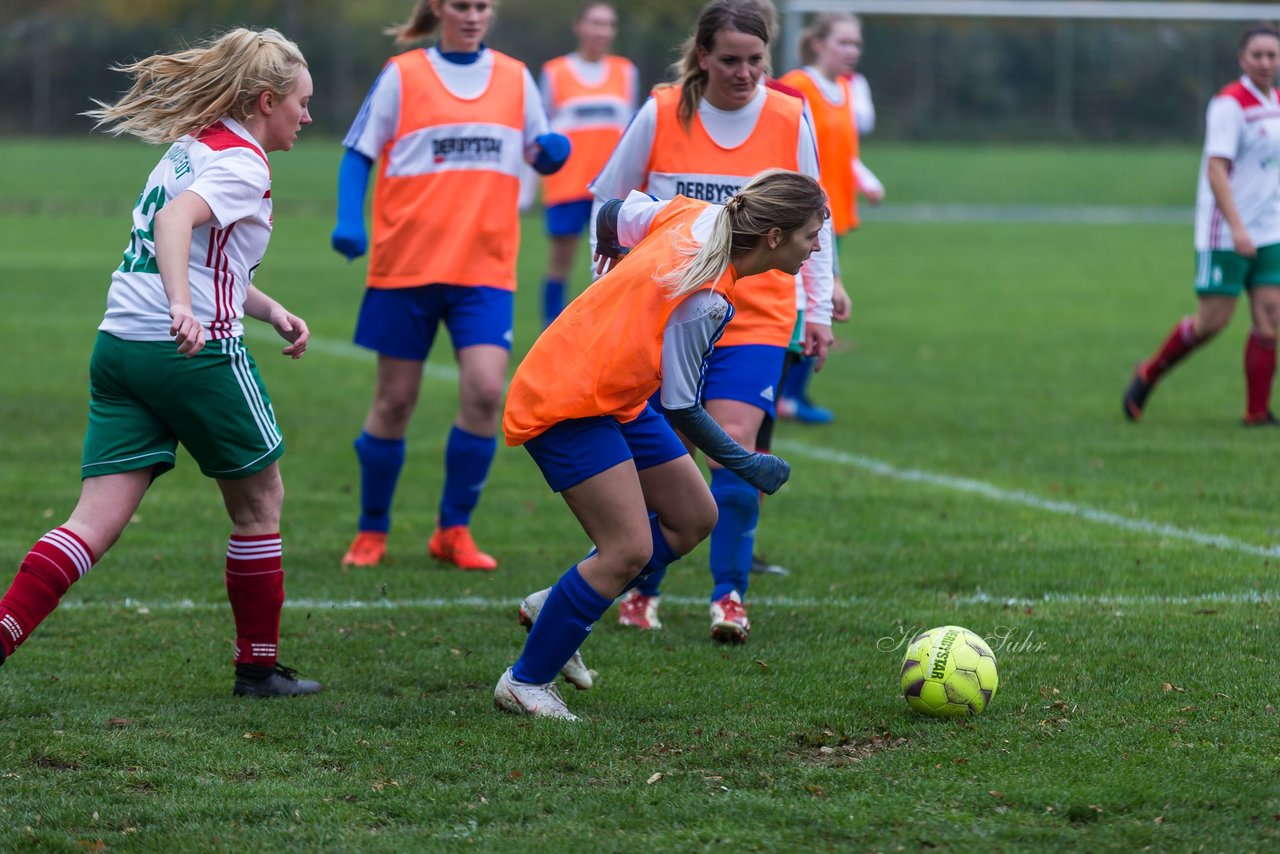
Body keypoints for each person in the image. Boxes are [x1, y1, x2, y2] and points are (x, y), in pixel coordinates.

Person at [0, 28, 320, 697]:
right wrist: (184, 307)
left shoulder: (191, 146)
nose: (308, 116)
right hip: (189, 355)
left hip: (120, 347)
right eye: (301, 102)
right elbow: (176, 225)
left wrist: (268, 309)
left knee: (89, 523)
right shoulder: (243, 163)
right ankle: (258, 669)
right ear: (267, 101)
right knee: (261, 504)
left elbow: (204, 254)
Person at [495, 169, 828, 719]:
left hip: (615, 397)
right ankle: (525, 682)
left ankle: (556, 604)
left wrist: (607, 257)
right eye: (809, 235)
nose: (815, 248)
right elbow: (681, 406)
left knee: (694, 516)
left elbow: (612, 213)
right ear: (773, 238)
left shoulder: (694, 212)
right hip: (568, 397)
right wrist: (747, 463)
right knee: (628, 549)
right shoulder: (707, 298)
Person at [587, 0, 835, 641]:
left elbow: (817, 216)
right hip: (667, 314)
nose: (744, 72)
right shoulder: (662, 110)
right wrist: (604, 287)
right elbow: (608, 204)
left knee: (734, 448)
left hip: (757, 315)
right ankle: (642, 589)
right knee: (674, 458)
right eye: (729, 59)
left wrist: (821, 301)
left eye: (756, 60)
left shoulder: (787, 115)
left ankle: (729, 597)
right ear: (702, 55)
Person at [332, 0, 570, 570]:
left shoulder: (515, 77)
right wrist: (348, 215)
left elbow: (539, 150)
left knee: (488, 393)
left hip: (485, 269)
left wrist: (551, 152)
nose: (472, 14)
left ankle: (453, 529)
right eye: (461, 4)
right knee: (394, 402)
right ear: (439, 7)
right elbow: (358, 151)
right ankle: (372, 530)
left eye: (482, 5)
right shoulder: (404, 74)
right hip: (406, 266)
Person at [1124, 23, 1280, 425]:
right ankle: (1148, 373)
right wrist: (1238, 228)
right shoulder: (1229, 104)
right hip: (1227, 231)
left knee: (1270, 317)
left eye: (1272, 55)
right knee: (1212, 323)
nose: (1265, 62)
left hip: (1269, 230)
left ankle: (1256, 414)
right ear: (1242, 59)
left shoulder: (1276, 101)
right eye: (1257, 55)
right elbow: (1216, 171)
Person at [777, 12, 883, 425]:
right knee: (802, 304)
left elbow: (842, 156)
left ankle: (790, 395)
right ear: (818, 43)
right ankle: (780, 394)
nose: (851, 51)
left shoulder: (842, 89)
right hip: (799, 216)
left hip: (832, 215)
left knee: (820, 303)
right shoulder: (797, 86)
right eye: (843, 42)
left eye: (856, 44)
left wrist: (866, 180)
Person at [537, 1, 638, 326]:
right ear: (579, 27)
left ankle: (607, 330)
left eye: (608, 24)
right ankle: (549, 333)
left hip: (611, 187)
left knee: (614, 261)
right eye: (595, 23)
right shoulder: (555, 72)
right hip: (567, 185)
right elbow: (542, 132)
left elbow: (631, 132)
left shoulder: (626, 71)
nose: (601, 31)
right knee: (560, 262)